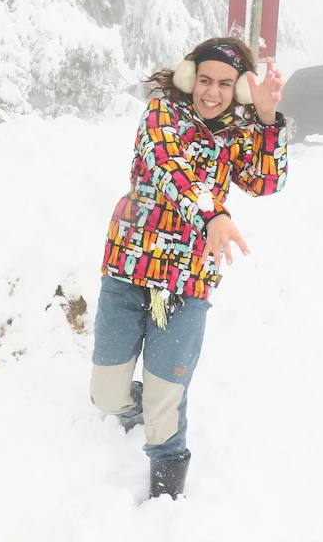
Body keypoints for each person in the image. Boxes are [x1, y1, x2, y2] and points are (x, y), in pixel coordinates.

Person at [90, 37, 287, 499]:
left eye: (224, 83)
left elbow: (266, 181)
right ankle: (135, 409)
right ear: (188, 77)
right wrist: (212, 213)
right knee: (106, 394)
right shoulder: (161, 115)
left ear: (238, 88)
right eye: (204, 80)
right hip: (128, 270)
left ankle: (167, 483)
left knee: (166, 394)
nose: (212, 92)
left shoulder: (238, 133)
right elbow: (167, 165)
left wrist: (265, 119)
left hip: (189, 282)